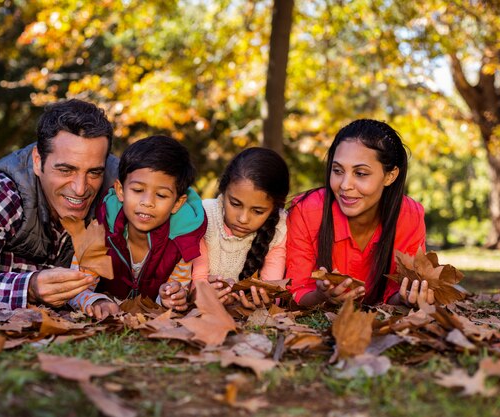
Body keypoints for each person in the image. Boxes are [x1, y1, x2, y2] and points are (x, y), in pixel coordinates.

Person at [0, 99, 119, 310]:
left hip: (17, 249)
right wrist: (30, 287)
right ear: (37, 160)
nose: (80, 189)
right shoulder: (3, 189)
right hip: (4, 220)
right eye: (65, 170)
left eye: (94, 172)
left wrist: (4, 265)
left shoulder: (120, 191)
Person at [286, 119, 435, 307]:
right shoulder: (307, 211)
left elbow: (396, 291)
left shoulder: (409, 216)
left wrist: (408, 297)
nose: (345, 185)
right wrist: (320, 296)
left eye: (361, 173)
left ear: (390, 176)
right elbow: (296, 288)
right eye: (338, 170)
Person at [68, 135, 207, 319]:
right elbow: (74, 288)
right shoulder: (99, 232)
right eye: (138, 190)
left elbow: (176, 291)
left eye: (161, 195)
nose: (147, 202)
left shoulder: (181, 242)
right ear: (120, 190)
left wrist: (169, 298)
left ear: (177, 203)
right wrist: (97, 301)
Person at [192, 147, 289, 309]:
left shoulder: (278, 229)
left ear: (274, 207)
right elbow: (197, 279)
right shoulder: (204, 216)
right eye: (235, 204)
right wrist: (204, 292)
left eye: (258, 211)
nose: (243, 219)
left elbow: (273, 289)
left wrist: (260, 299)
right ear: (223, 189)